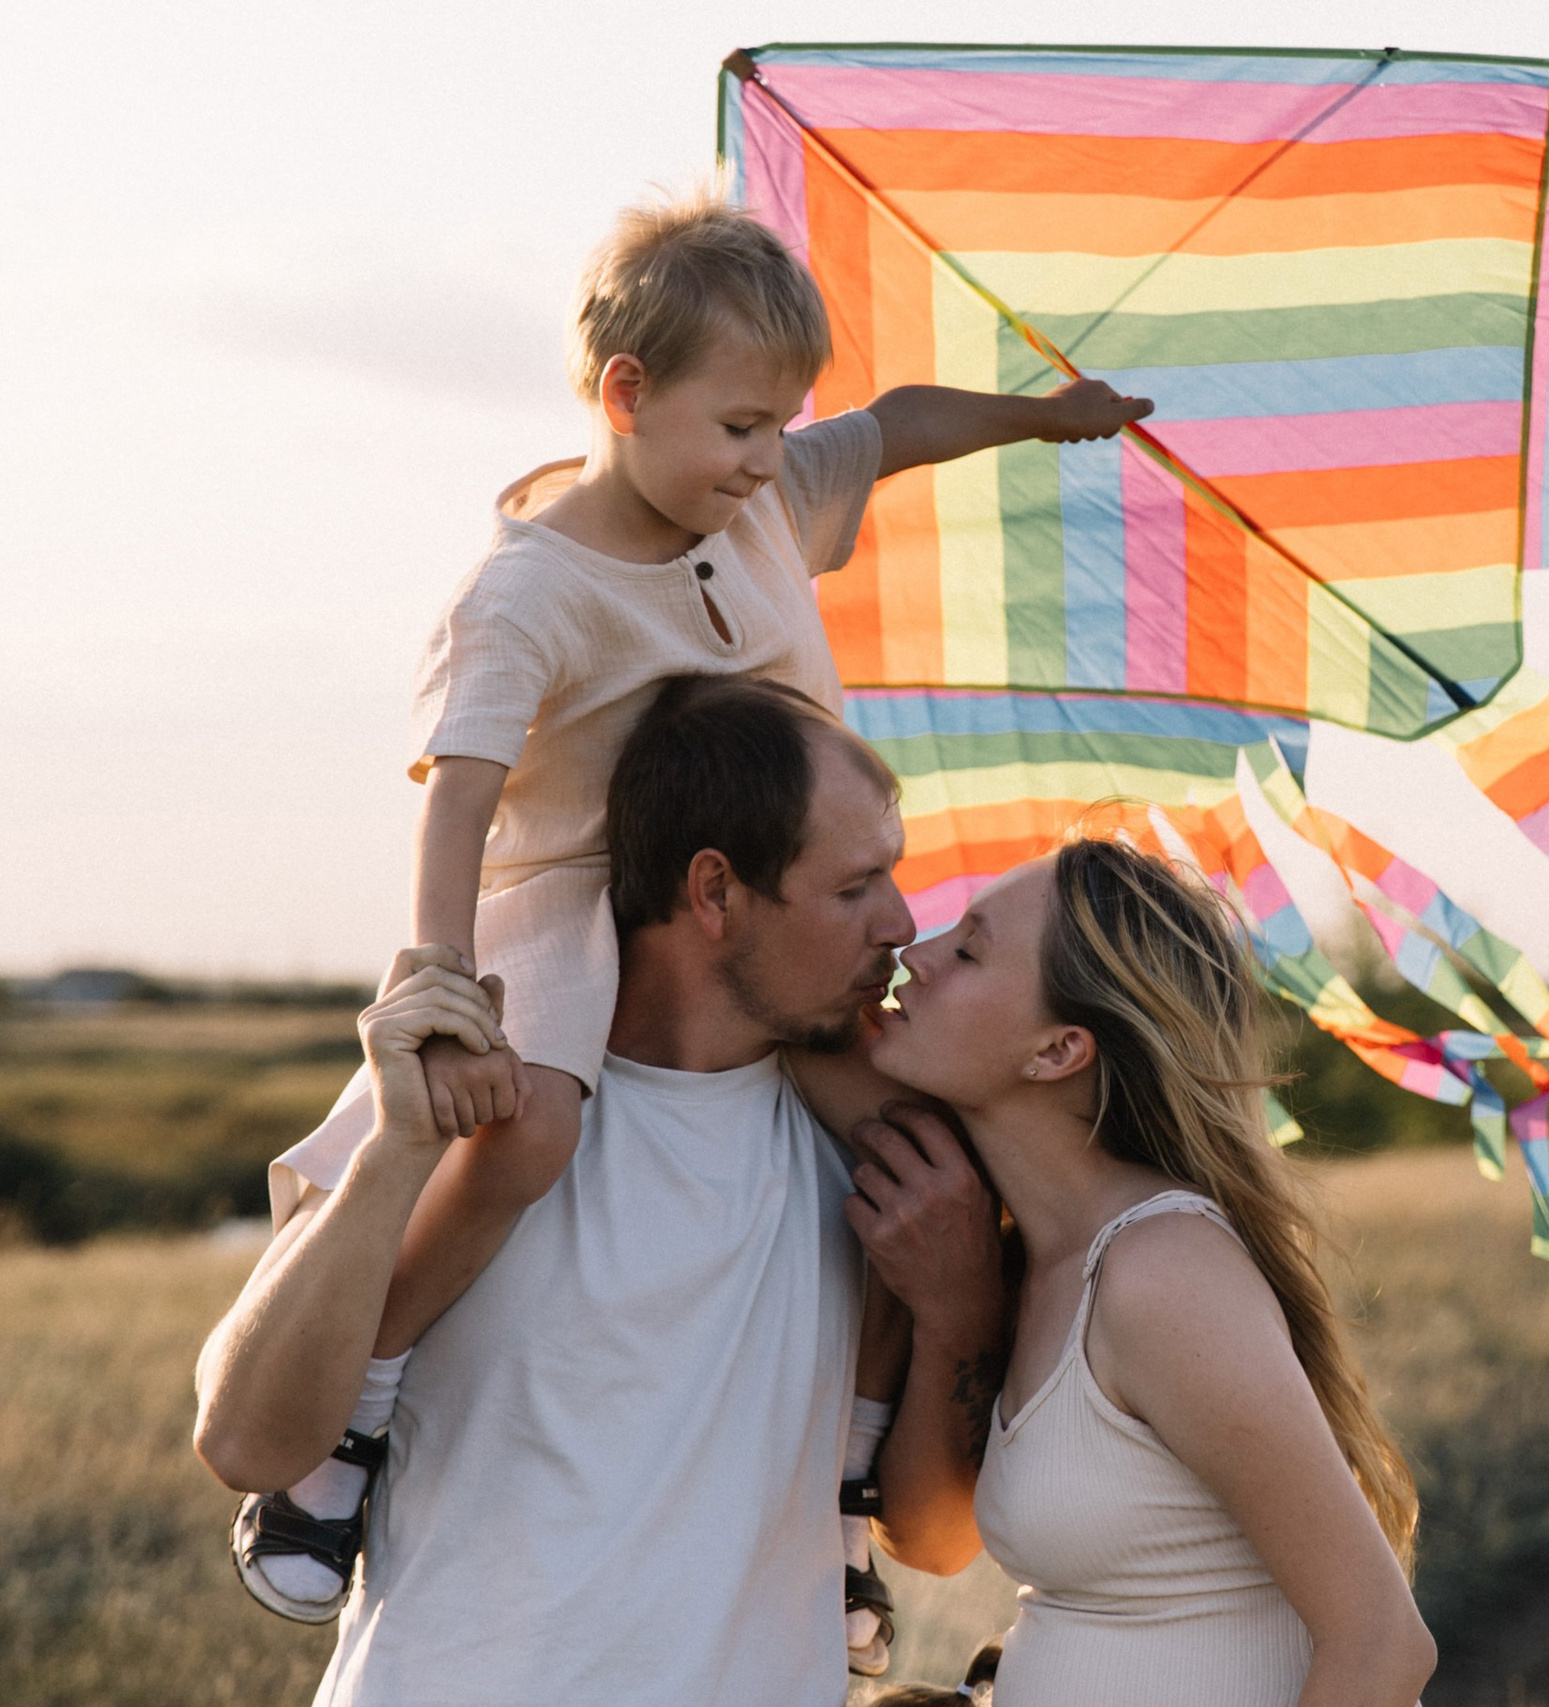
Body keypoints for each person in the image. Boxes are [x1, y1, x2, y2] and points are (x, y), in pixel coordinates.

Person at [230, 186, 1149, 1632]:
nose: (770, 455)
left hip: (777, 924)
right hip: (577, 915)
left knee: (920, 1163)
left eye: (783, 423)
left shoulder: (766, 498)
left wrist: (1042, 417)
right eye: (740, 425)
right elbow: (460, 796)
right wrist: (440, 978)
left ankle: (849, 1485)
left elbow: (898, 423)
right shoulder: (528, 588)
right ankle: (358, 1413)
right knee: (528, 1125)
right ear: (625, 392)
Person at [194, 674, 1008, 1705]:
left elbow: (935, 1542)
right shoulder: (485, 1080)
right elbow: (242, 1438)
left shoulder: (881, 1153)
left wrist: (966, 1303)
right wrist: (397, 1149)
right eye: (854, 889)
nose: (899, 921)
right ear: (714, 892)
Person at [861, 836, 1438, 1707]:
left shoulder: (1159, 1271)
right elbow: (930, 1540)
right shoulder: (1037, 1256)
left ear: (1057, 1051)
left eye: (970, 949)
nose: (918, 951)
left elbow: (1384, 1643)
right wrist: (957, 1313)